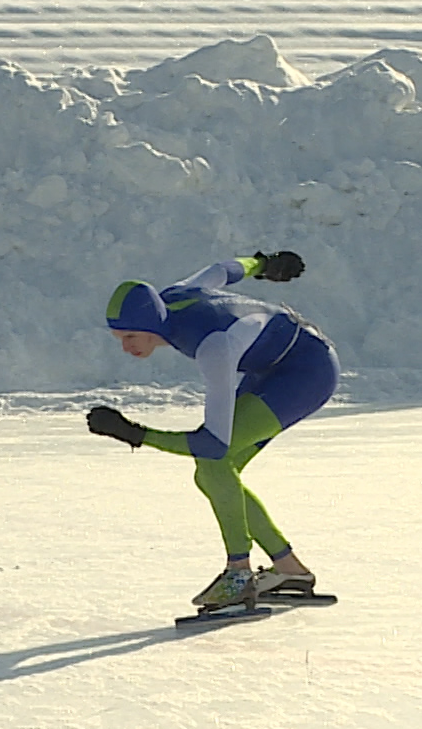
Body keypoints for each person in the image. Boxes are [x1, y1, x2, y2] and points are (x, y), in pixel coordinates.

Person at [86, 251, 338, 611]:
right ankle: (289, 570)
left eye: (129, 336)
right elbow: (222, 271)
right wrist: (263, 264)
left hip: (307, 373)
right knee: (212, 473)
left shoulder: (212, 347)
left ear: (150, 325)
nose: (125, 347)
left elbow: (213, 443)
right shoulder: (173, 296)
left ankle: (239, 573)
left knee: (214, 462)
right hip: (273, 365)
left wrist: (136, 434)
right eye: (118, 338)